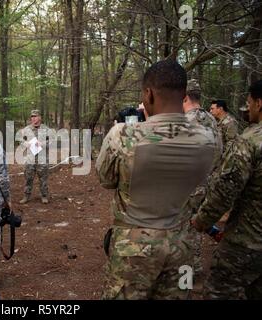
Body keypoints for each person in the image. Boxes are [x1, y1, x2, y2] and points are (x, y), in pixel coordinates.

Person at [96, 60, 219, 299]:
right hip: (181, 245)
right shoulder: (207, 137)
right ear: (184, 95)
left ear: (148, 94)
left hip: (134, 247)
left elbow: (106, 179)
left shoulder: (122, 135)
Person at [192, 80, 262, 299]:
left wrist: (202, 220)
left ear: (259, 103)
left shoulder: (250, 142)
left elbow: (226, 189)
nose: (246, 107)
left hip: (248, 241)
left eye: (248, 102)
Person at [182, 80, 222, 279]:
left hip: (189, 185)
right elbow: (219, 149)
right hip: (208, 182)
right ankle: (191, 272)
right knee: (195, 228)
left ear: (184, 97)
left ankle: (187, 277)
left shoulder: (186, 121)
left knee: (186, 233)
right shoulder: (211, 119)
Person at [19, 110, 51, 204]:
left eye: (35, 116)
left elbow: (52, 141)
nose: (33, 118)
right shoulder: (26, 129)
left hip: (42, 158)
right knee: (28, 178)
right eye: (32, 116)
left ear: (40, 117)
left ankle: (44, 196)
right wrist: (25, 143)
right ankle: (26, 196)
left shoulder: (46, 129)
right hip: (30, 158)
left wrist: (43, 143)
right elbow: (20, 140)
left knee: (43, 179)